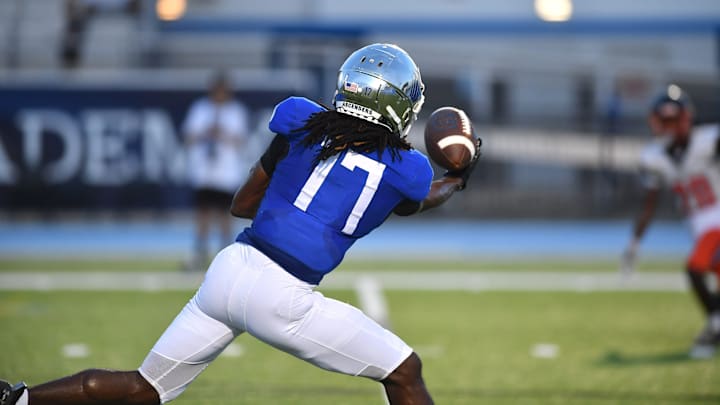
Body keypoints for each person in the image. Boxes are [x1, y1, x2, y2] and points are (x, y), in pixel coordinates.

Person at [0, 43, 481, 405]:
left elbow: (242, 203)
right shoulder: (409, 169)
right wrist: (457, 177)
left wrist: (291, 209)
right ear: (397, 105)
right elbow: (419, 199)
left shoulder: (300, 121)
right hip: (284, 296)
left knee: (144, 389)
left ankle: (17, 400)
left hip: (230, 268)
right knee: (403, 370)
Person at [621, 84, 720, 359]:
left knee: (695, 268)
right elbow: (649, 204)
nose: (667, 127)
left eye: (672, 120)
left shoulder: (709, 141)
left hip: (717, 222)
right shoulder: (654, 157)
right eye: (662, 120)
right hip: (699, 227)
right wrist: (634, 243)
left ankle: (715, 325)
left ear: (686, 118)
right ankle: (715, 325)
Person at [182, 70, 251, 270]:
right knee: (202, 214)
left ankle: (226, 256)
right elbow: (188, 137)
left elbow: (240, 140)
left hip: (225, 173)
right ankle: (200, 253)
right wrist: (206, 132)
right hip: (204, 172)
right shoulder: (200, 109)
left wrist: (223, 134)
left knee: (225, 215)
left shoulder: (236, 111)